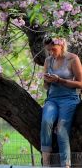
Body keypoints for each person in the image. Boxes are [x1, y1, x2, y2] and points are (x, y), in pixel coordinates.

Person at [41, 36, 82, 168]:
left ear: (62, 46)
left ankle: (66, 164)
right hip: (52, 99)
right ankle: (46, 161)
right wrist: (47, 80)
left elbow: (81, 84)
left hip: (69, 99)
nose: (51, 53)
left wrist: (60, 81)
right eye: (48, 50)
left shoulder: (73, 59)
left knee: (61, 129)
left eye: (53, 49)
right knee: (46, 121)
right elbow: (46, 85)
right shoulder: (48, 60)